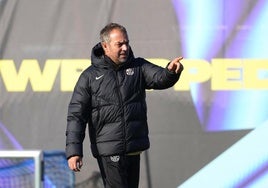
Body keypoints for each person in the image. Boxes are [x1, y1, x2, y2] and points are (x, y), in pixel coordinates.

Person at [65, 22, 184, 188]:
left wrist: (171, 72)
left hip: (133, 148)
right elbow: (76, 115)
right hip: (109, 150)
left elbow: (160, 78)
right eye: (119, 44)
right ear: (105, 46)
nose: (125, 48)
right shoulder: (89, 77)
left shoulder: (138, 66)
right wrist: (74, 152)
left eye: (126, 42)